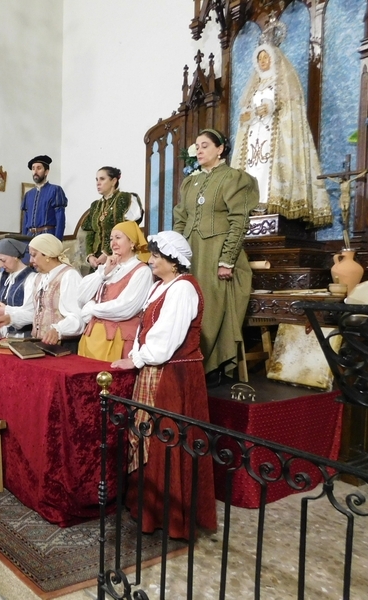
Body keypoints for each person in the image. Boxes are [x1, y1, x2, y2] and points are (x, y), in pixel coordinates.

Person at [111, 231, 217, 539]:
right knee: (145, 436)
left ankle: (169, 517)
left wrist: (140, 358)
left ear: (173, 260)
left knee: (165, 440)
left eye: (156, 255)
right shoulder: (161, 286)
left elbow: (166, 338)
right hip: (154, 370)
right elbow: (145, 328)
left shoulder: (183, 289)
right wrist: (137, 355)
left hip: (174, 374)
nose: (151, 260)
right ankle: (146, 509)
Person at [174, 129, 256, 384]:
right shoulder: (190, 182)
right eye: (197, 146)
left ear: (220, 149)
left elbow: (239, 221)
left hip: (216, 252)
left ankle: (211, 366)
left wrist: (227, 259)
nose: (199, 150)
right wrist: (175, 254)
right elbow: (180, 219)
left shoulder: (235, 178)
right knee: (186, 306)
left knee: (211, 306)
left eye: (205, 145)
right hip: (191, 252)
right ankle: (186, 363)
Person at [231, 39, 331, 227]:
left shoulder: (282, 82)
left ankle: (273, 206)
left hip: (274, 136)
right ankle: (252, 206)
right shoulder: (254, 87)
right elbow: (247, 110)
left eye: (266, 57)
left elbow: (291, 111)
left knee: (269, 170)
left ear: (274, 59)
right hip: (255, 136)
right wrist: (248, 115)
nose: (262, 61)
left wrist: (272, 105)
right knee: (253, 169)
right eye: (259, 58)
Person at [77, 221, 153, 362]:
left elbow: (126, 307)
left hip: (118, 339)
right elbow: (81, 297)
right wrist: (103, 273)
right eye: (111, 239)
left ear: (132, 242)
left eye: (118, 237)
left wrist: (93, 309)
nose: (113, 243)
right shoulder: (108, 268)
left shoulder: (141, 271)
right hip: (91, 338)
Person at [26, 234, 84, 351]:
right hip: (40, 344)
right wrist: (10, 316)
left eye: (34, 255)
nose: (31, 261)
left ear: (47, 254)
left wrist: (59, 329)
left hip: (63, 346)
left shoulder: (69, 276)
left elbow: (78, 317)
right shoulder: (39, 278)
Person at [81, 167, 145, 269]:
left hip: (118, 256)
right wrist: (90, 256)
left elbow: (127, 231)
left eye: (102, 179)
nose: (98, 183)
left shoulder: (125, 199)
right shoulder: (95, 205)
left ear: (113, 181)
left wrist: (106, 253)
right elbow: (91, 232)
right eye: (96, 179)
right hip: (97, 261)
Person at [0, 238, 36, 339]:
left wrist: (6, 310)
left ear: (15, 257)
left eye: (3, 260)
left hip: (20, 337)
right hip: (0, 334)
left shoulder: (31, 278)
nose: (0, 265)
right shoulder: (2, 276)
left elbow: (32, 313)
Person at [21, 155, 68, 240]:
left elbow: (60, 219)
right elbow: (25, 221)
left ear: (46, 171)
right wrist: (22, 241)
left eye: (39, 168)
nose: (35, 171)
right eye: (33, 168)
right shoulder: (28, 195)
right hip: (29, 238)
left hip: (47, 237)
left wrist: (57, 242)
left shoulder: (55, 190)